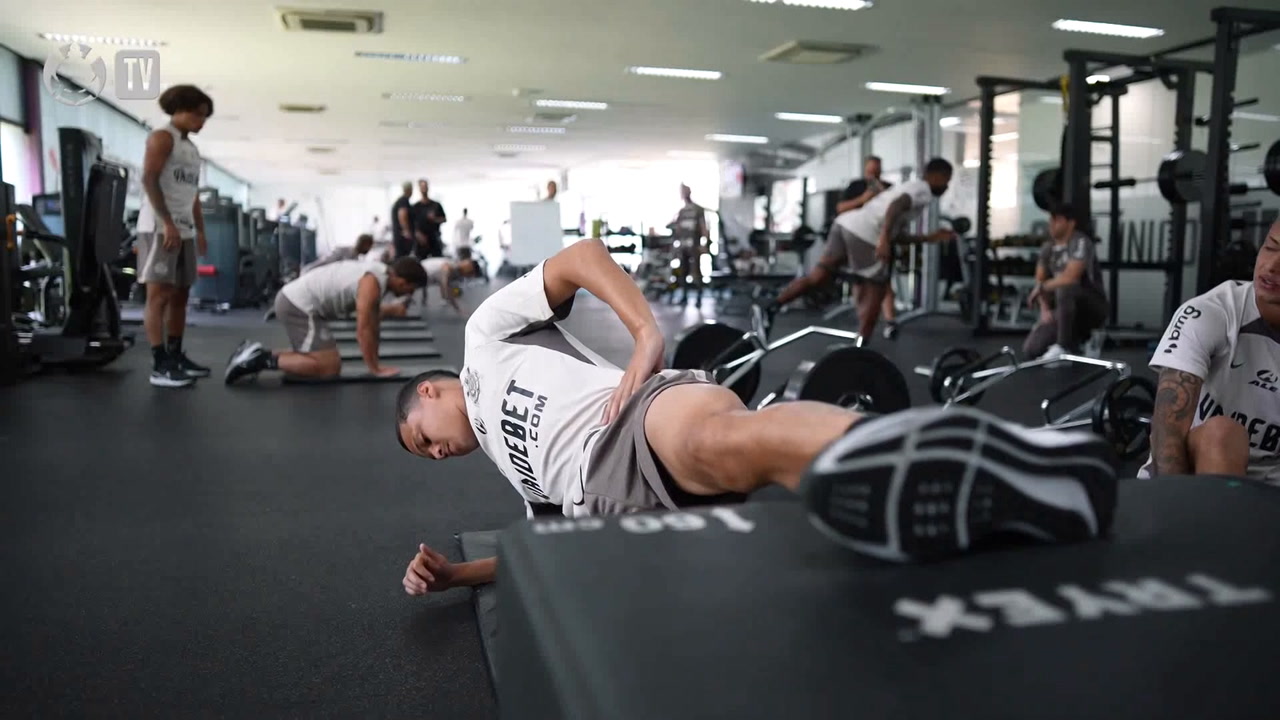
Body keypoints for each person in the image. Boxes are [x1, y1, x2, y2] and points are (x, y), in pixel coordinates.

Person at [393, 237, 1116, 592]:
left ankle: (958, 456)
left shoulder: (482, 340)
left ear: (430, 393)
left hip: (632, 424)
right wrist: (458, 577)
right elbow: (539, 553)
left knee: (723, 441)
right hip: (614, 520)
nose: (431, 455)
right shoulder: (514, 479)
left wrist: (647, 332)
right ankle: (1010, 493)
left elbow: (579, 256)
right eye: (423, 457)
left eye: (419, 440)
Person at [1143, 219, 1280, 481]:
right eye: (1271, 247)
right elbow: (1166, 436)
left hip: (1270, 493)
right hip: (1192, 483)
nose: (1272, 266)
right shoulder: (1209, 312)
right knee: (1222, 435)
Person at [772, 158, 956, 341]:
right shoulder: (922, 190)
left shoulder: (907, 186)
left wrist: (929, 238)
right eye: (947, 179)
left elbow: (897, 235)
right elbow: (896, 206)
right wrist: (883, 239)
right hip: (866, 234)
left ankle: (772, 305)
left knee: (819, 276)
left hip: (845, 225)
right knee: (878, 287)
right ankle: (861, 344)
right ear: (937, 175)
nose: (947, 185)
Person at [224, 257, 428, 383]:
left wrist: (376, 362)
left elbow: (373, 324)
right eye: (412, 289)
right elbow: (364, 329)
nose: (410, 293)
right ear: (403, 281)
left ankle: (254, 353)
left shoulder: (379, 274)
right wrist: (375, 369)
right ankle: (257, 360)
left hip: (300, 304)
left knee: (319, 356)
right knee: (328, 367)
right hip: (298, 306)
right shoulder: (372, 283)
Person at [135, 84, 214, 388]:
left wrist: (200, 230)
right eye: (197, 114)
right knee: (159, 296)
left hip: (184, 229)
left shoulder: (191, 149)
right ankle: (159, 365)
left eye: (205, 117)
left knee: (181, 295)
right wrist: (167, 222)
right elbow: (149, 179)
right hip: (157, 227)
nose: (201, 122)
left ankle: (176, 355)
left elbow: (191, 194)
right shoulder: (162, 138)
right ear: (178, 109)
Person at [1023, 203, 1108, 361]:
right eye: (1051, 220)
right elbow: (1040, 280)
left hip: (1091, 308)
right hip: (1064, 311)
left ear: (1071, 223)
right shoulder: (1048, 248)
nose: (1052, 224)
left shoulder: (1081, 242)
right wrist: (1045, 309)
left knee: (1066, 287)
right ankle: (1074, 345)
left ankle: (1063, 346)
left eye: (1057, 220)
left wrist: (1042, 287)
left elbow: (1071, 277)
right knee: (1031, 349)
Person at [835, 156, 900, 339]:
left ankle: (890, 322)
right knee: (861, 282)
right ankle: (863, 322)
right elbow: (840, 208)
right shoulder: (855, 187)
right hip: (859, 241)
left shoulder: (889, 188)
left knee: (884, 281)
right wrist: (864, 198)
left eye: (877, 171)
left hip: (882, 240)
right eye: (871, 171)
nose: (874, 174)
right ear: (865, 170)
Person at [671, 184, 709, 306]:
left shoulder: (698, 210)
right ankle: (685, 296)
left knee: (696, 272)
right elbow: (678, 229)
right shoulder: (682, 212)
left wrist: (704, 244)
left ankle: (699, 297)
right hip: (683, 247)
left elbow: (703, 227)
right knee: (683, 272)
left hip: (694, 246)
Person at [419, 248, 482, 316]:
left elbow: (444, 284)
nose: (468, 276)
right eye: (470, 273)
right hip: (417, 273)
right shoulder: (449, 267)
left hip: (421, 275)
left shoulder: (451, 266)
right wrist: (457, 308)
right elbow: (445, 286)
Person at [300, 233, 375, 274]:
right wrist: (307, 270)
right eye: (369, 247)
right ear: (365, 245)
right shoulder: (342, 251)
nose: (370, 249)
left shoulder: (356, 260)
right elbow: (324, 262)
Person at [412, 179, 447, 259]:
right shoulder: (415, 207)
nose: (424, 189)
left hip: (434, 238)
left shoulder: (436, 205)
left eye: (425, 187)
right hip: (421, 241)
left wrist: (434, 219)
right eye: (422, 187)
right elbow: (412, 224)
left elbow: (444, 219)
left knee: (438, 259)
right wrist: (418, 234)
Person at [391, 182, 414, 259]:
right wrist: (406, 231)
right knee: (402, 257)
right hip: (402, 236)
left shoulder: (401, 201)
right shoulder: (403, 200)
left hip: (399, 235)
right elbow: (402, 215)